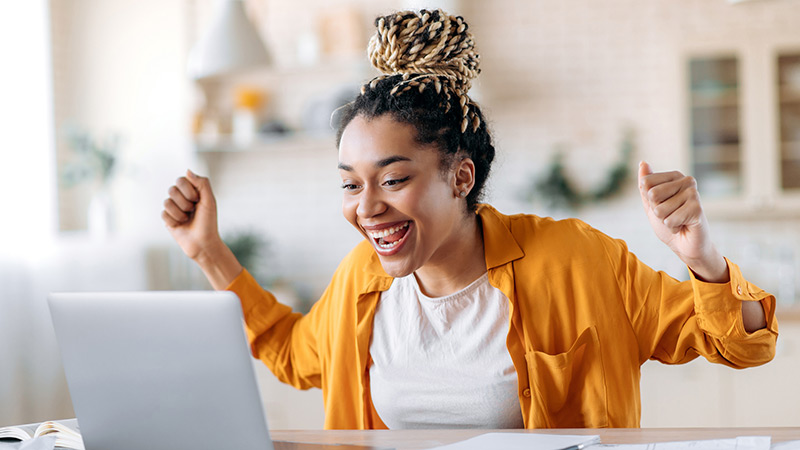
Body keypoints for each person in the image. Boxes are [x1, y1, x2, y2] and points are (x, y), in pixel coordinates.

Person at [161, 9, 777, 430]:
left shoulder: (576, 259)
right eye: (351, 184)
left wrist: (702, 259)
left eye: (394, 178)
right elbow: (294, 352)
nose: (367, 206)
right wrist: (208, 252)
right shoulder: (362, 282)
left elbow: (739, 343)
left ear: (460, 176)